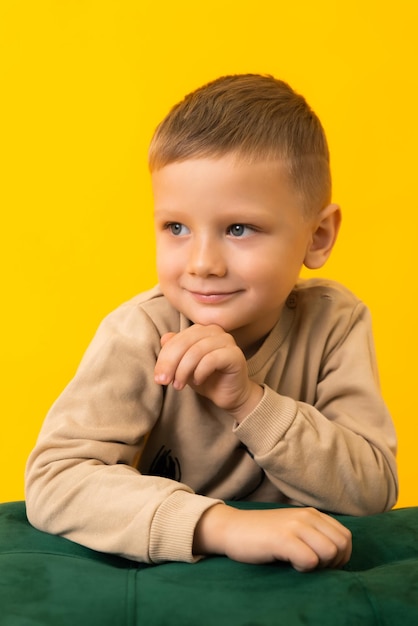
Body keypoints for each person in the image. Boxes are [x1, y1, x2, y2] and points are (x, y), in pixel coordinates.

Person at [25, 74, 398, 573]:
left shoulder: (336, 322)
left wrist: (250, 401)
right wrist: (221, 525)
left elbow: (372, 490)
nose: (202, 263)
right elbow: (54, 479)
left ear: (318, 236)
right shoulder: (140, 330)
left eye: (239, 228)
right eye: (176, 227)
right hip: (175, 575)